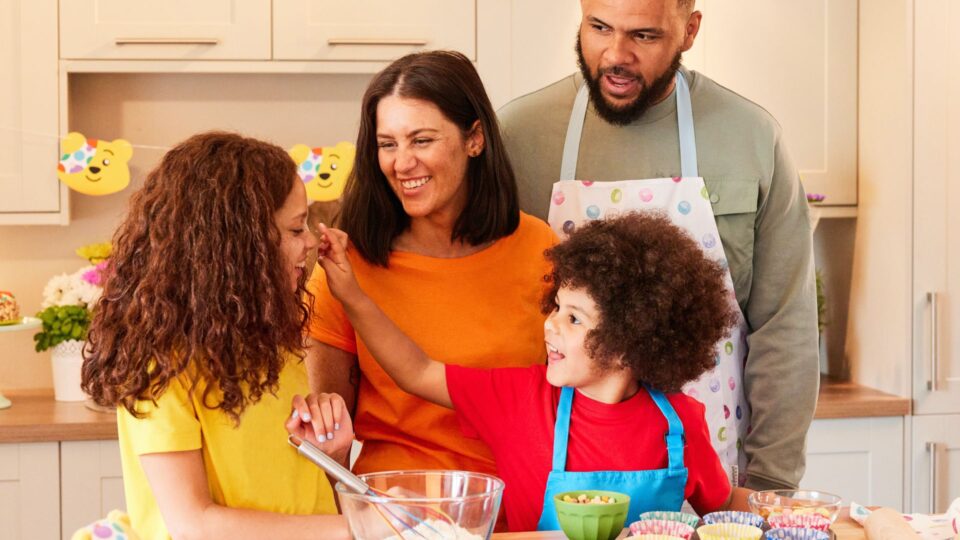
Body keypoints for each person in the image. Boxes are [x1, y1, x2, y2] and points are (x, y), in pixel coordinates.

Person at [497, 0, 820, 491]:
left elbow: (785, 326)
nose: (615, 55)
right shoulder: (518, 135)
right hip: (553, 482)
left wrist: (769, 486)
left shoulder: (750, 138)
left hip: (713, 484)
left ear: (689, 30)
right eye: (598, 27)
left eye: (644, 36)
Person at [298, 212, 752, 532]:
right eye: (556, 307)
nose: (550, 325)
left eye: (574, 318)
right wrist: (351, 294)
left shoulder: (680, 423)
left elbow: (726, 507)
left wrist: (786, 509)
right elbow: (416, 371)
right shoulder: (519, 400)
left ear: (630, 340)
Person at [81, 132, 350, 540]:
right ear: (242, 246)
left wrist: (334, 457)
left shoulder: (273, 342)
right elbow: (193, 524)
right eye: (297, 229)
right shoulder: (163, 365)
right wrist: (357, 527)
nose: (311, 241)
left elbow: (307, 507)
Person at [305, 50, 557, 478]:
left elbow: (571, 407)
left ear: (474, 139)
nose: (402, 163)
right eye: (387, 144)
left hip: (518, 501)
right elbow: (326, 444)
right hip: (391, 504)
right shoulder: (346, 268)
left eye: (421, 140)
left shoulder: (539, 247)